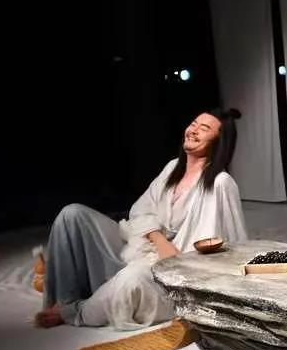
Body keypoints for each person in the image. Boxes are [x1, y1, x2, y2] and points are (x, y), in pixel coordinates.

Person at [34, 108, 248, 330]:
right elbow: (141, 209)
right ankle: (63, 300)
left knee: (131, 279)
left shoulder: (220, 183)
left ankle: (74, 311)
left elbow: (219, 247)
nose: (193, 131)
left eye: (203, 129)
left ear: (218, 142)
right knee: (72, 214)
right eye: (193, 124)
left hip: (174, 272)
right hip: (144, 245)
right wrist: (158, 238)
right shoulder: (172, 167)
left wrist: (174, 257)